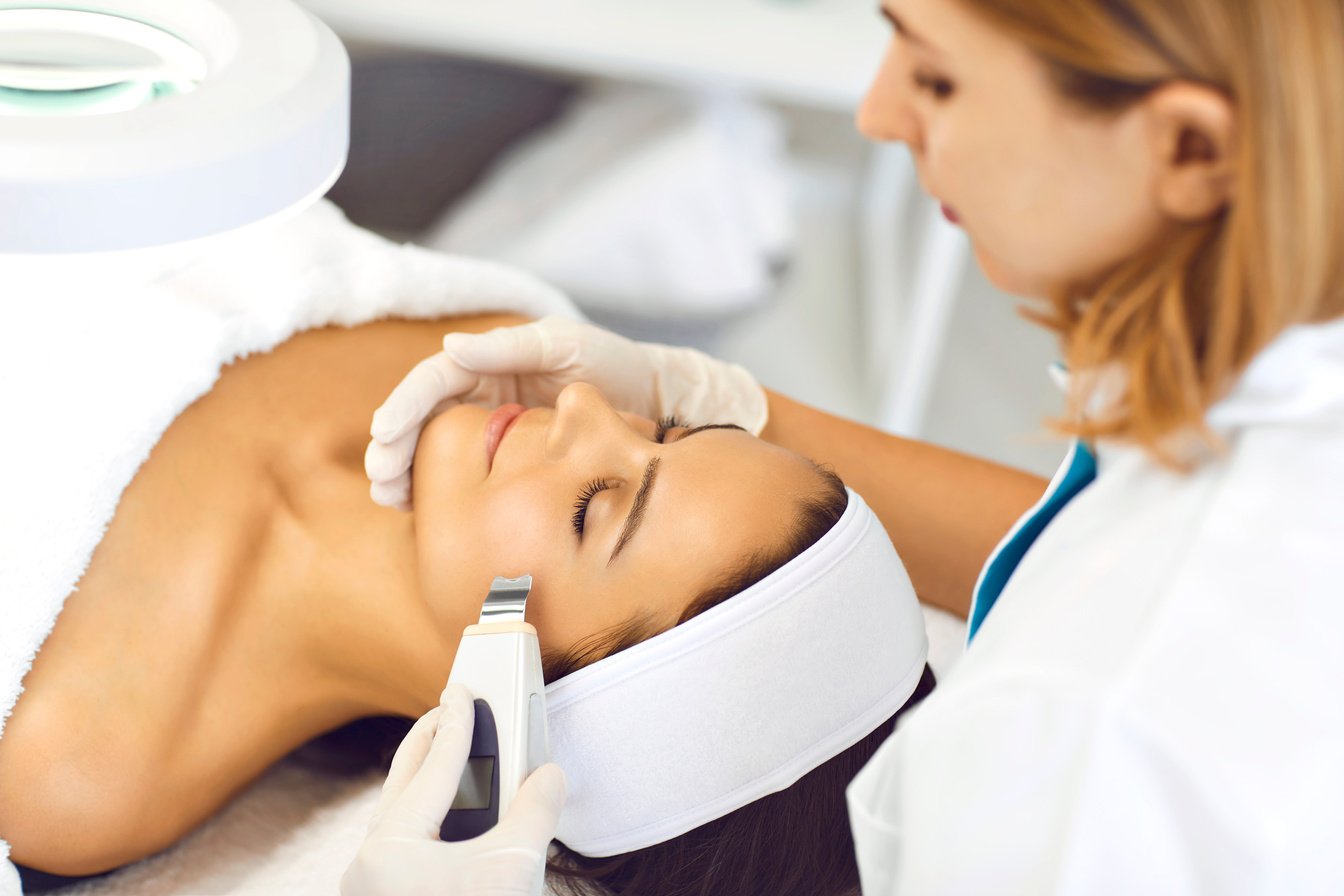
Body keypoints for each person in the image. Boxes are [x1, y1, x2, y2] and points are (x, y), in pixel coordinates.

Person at [362, 0, 1344, 892]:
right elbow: (1092, 551)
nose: (874, 115)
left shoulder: (1081, 749)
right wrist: (722, 418)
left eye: (936, 78)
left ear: (1187, 147)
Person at [0, 309, 930, 896]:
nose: (583, 411)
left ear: (519, 712)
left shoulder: (72, 763)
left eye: (592, 508)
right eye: (665, 426)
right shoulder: (492, 343)